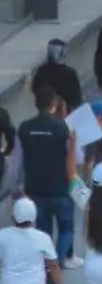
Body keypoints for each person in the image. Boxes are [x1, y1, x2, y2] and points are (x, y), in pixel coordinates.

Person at [18, 88, 77, 269]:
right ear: (54, 105)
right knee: (67, 228)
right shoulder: (62, 128)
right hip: (61, 188)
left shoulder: (25, 128)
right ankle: (57, 262)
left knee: (44, 232)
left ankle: (47, 264)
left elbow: (19, 159)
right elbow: (71, 158)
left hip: (36, 189)